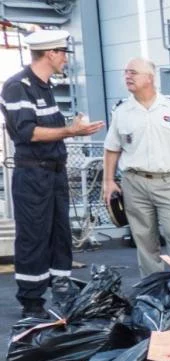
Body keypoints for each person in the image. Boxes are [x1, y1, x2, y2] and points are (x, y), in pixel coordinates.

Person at [0, 30, 104, 317]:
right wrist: (71, 130)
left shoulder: (45, 87)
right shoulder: (17, 86)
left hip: (54, 174)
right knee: (34, 236)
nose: (66, 60)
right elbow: (27, 131)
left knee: (60, 234)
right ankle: (32, 303)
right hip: (33, 175)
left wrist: (71, 127)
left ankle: (61, 287)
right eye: (64, 53)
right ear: (51, 54)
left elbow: (49, 130)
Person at [102, 58, 170, 278]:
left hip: (168, 181)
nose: (127, 76)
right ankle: (153, 287)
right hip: (134, 182)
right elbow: (112, 148)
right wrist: (108, 181)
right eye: (126, 72)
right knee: (144, 239)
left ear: (150, 77)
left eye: (133, 72)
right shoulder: (122, 111)